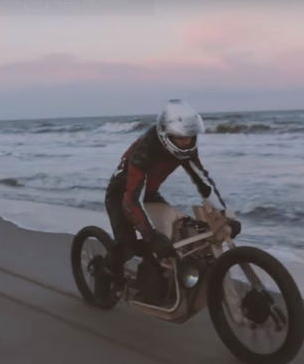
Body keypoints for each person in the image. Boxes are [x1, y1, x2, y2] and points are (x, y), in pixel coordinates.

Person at [99, 99, 241, 297]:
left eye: (190, 137)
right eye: (180, 137)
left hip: (148, 193)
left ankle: (156, 274)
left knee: (175, 236)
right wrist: (150, 235)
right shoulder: (145, 149)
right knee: (129, 246)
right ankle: (107, 273)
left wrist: (225, 215)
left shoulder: (188, 148)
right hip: (121, 195)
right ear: (166, 135)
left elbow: (204, 183)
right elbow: (129, 202)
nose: (186, 141)